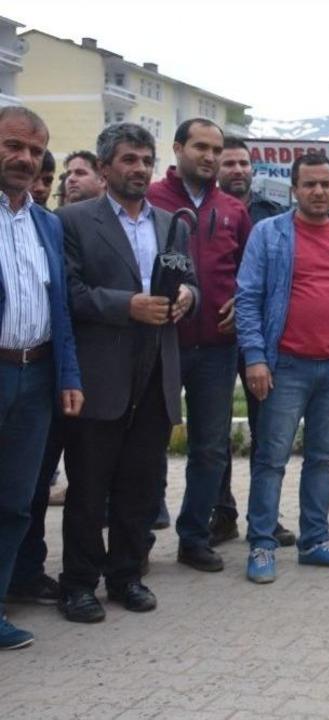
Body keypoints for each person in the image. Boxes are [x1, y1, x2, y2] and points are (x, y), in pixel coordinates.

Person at [57, 122, 197, 622]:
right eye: (128, 160)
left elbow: (190, 282)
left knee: (141, 485)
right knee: (90, 489)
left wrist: (187, 297)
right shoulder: (72, 221)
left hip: (157, 373)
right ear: (103, 168)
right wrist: (126, 306)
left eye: (145, 160)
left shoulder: (170, 223)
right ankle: (78, 585)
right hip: (101, 374)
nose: (139, 169)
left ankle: (126, 577)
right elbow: (69, 295)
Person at [235, 152, 329, 584]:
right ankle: (261, 543)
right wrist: (255, 358)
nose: (319, 192)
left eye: (325, 184)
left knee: (322, 458)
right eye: (310, 184)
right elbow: (247, 299)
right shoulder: (269, 234)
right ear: (295, 189)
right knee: (271, 458)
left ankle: (316, 541)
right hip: (285, 367)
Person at [145, 119, 255, 573]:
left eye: (216, 149)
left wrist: (239, 299)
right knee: (148, 444)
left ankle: (194, 537)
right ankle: (138, 540)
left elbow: (252, 273)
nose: (209, 157)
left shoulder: (233, 209)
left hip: (216, 347)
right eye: (200, 148)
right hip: (158, 343)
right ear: (177, 149)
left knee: (209, 448)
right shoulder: (150, 199)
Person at [0, 107, 83, 649]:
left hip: (35, 376)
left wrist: (68, 374)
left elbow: (61, 309)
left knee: (15, 502)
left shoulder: (46, 223)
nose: (25, 159)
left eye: (34, 150)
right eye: (13, 146)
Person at [210, 136, 291, 547]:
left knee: (268, 431)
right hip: (219, 337)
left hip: (264, 339)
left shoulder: (272, 216)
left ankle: (267, 517)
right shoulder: (205, 210)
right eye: (229, 163)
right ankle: (220, 513)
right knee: (214, 430)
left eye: (244, 163)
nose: (238, 170)